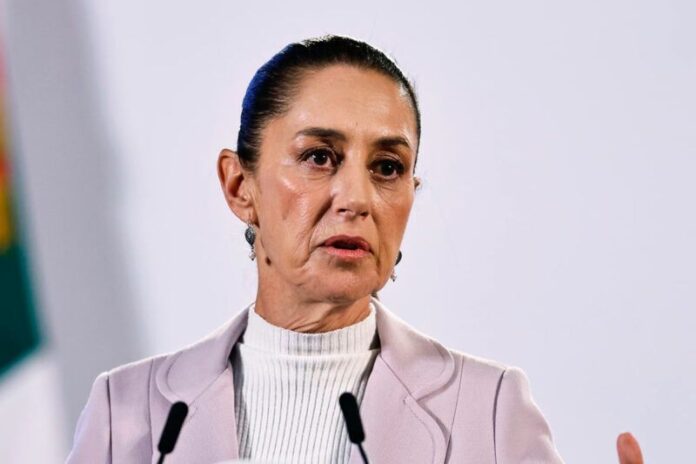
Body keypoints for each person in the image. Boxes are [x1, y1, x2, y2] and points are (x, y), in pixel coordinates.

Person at [66, 35, 644, 464]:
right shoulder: (128, 412)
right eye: (319, 157)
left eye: (388, 167)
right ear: (240, 186)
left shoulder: (488, 411)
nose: (357, 198)